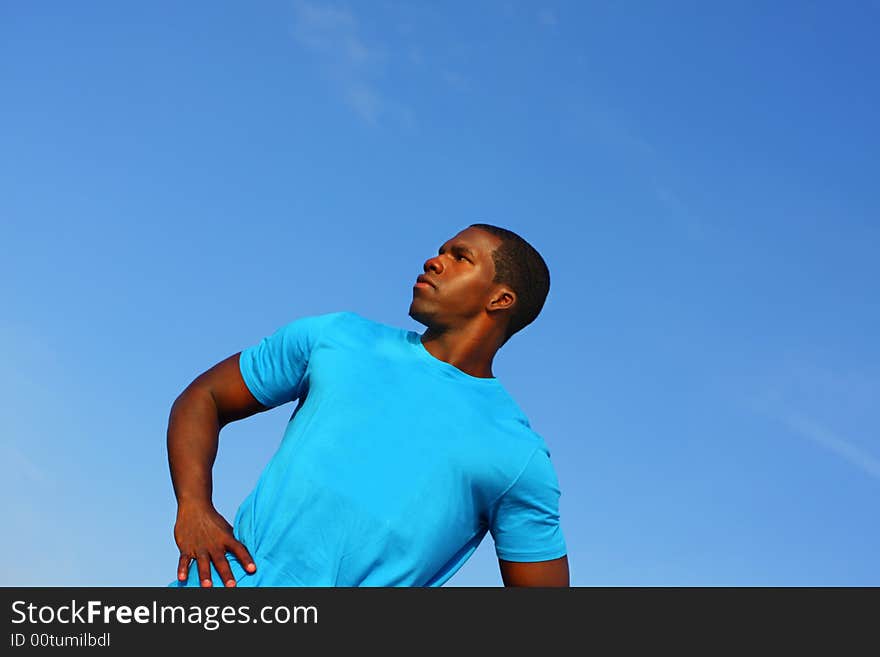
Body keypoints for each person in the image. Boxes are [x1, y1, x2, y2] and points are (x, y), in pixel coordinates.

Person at [166, 223, 569, 587]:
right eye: (440, 250)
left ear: (500, 299)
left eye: (459, 257)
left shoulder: (517, 455)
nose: (434, 261)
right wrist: (194, 505)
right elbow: (205, 397)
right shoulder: (335, 337)